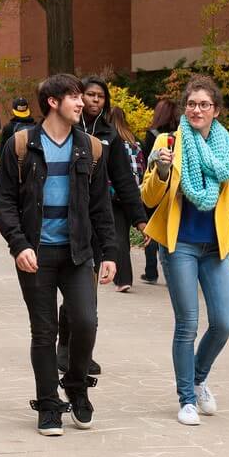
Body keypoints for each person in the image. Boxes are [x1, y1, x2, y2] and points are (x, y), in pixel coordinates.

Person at [141, 75, 229, 426]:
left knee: (223, 323)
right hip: (179, 245)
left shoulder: (227, 147)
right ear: (185, 108)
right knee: (187, 324)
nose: (197, 109)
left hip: (215, 248)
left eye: (204, 104)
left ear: (216, 110)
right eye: (191, 103)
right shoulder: (168, 142)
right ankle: (186, 398)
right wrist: (162, 170)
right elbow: (148, 197)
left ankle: (198, 377)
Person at [0, 73, 117, 437]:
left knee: (85, 322)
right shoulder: (21, 145)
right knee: (44, 332)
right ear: (53, 102)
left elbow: (100, 207)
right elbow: (4, 200)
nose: (83, 103)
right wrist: (19, 245)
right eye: (75, 97)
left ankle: (76, 386)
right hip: (36, 254)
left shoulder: (91, 148)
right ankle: (48, 405)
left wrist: (109, 252)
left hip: (78, 253)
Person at [56, 76, 147, 375]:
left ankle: (82, 350)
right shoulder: (66, 129)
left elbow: (123, 179)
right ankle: (65, 345)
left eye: (100, 96)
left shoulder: (110, 136)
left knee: (88, 291)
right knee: (75, 289)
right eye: (89, 95)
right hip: (67, 219)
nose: (95, 100)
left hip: (98, 217)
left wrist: (140, 218)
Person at [107, 106, 147, 292]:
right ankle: (123, 276)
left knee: (117, 235)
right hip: (132, 193)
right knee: (122, 235)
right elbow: (142, 168)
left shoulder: (109, 141)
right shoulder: (135, 142)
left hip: (113, 193)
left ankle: (122, 278)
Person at [140, 99, 179, 285]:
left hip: (157, 184)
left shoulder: (152, 134)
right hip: (174, 188)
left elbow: (148, 163)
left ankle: (151, 271)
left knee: (152, 226)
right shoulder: (178, 135)